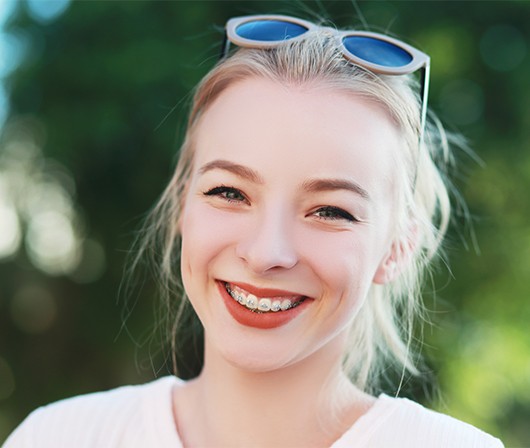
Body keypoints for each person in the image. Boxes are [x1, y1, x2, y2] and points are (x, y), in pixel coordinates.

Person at [3, 14, 503, 448]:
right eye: (229, 193)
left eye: (330, 211)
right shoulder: (56, 439)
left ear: (397, 249)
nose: (266, 253)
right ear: (182, 205)